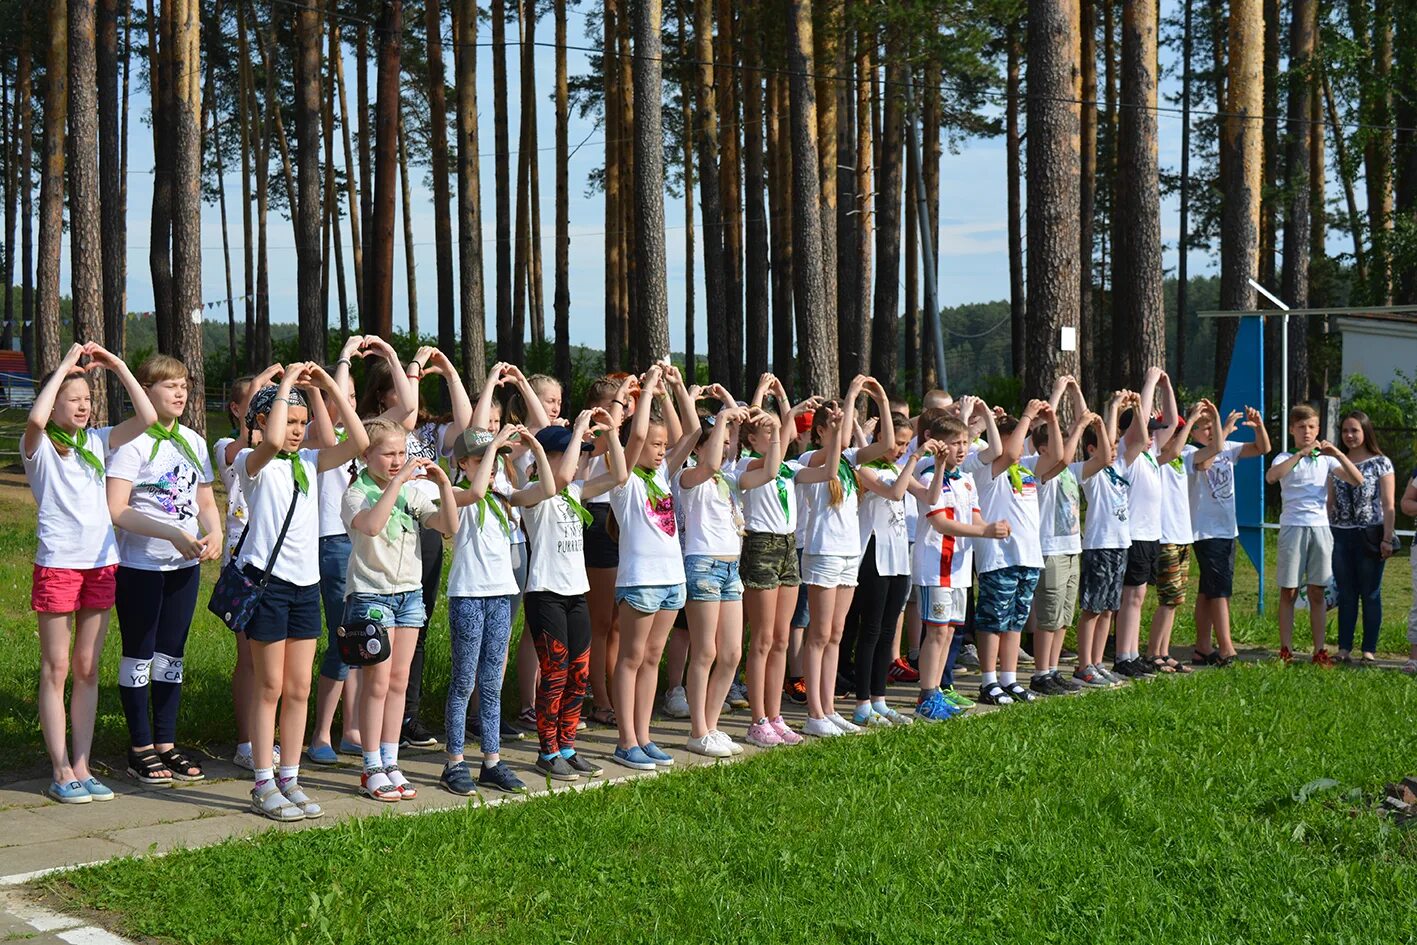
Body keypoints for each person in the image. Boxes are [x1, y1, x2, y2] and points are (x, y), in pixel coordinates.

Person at [237, 365, 368, 821]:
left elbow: (359, 443)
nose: (295, 432)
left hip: (305, 586)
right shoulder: (251, 462)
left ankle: (290, 778)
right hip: (268, 586)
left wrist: (327, 389)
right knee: (269, 686)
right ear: (262, 420)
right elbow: (271, 442)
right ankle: (262, 780)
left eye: (300, 424)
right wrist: (287, 385)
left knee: (299, 687)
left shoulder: (311, 462)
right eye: (288, 422)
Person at [26, 343, 155, 803]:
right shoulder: (39, 447)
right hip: (59, 564)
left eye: (86, 398)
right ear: (55, 399)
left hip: (101, 565)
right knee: (57, 667)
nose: (83, 406)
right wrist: (63, 366)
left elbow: (147, 419)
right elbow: (37, 421)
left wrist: (118, 364)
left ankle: (82, 764)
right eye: (72, 398)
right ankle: (60, 769)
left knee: (86, 668)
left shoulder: (97, 440)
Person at [106, 354, 223, 786]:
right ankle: (139, 748)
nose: (180, 393)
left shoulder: (193, 439)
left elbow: (207, 502)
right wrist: (170, 533)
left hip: (183, 567)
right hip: (141, 566)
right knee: (139, 654)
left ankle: (166, 743)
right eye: (169, 386)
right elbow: (117, 510)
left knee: (171, 656)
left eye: (184, 385)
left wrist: (215, 534)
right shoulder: (132, 443)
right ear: (147, 391)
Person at [343, 417, 459, 801]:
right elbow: (373, 526)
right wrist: (398, 482)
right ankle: (371, 764)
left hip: (409, 596)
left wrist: (442, 484)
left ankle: (391, 760)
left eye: (402, 453)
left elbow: (448, 526)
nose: (398, 460)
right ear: (366, 455)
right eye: (389, 453)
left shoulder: (412, 493)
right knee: (376, 684)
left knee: (398, 681)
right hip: (371, 597)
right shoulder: (357, 492)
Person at [441, 424, 554, 795]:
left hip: (501, 596)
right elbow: (474, 490)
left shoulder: (504, 495)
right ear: (462, 463)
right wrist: (496, 446)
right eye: (480, 460)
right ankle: (454, 762)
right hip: (469, 595)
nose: (490, 469)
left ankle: (492, 760)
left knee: (491, 683)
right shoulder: (456, 493)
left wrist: (535, 446)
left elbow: (549, 489)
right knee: (464, 682)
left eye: (493, 462)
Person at [521, 410, 625, 780]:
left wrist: (611, 433)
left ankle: (567, 746)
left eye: (582, 454)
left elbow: (619, 476)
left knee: (578, 674)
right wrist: (578, 427)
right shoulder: (533, 493)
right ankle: (546, 751)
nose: (582, 459)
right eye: (574, 452)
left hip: (576, 592)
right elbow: (559, 477)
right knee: (555, 674)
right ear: (547, 457)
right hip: (545, 594)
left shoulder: (576, 491)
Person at [609, 364, 700, 769]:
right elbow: (640, 433)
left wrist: (672, 391)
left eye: (664, 444)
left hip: (670, 580)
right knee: (630, 658)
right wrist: (646, 390)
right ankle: (625, 740)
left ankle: (644, 737)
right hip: (641, 581)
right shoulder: (622, 478)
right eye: (654, 444)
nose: (661, 449)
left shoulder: (663, 474)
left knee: (651, 659)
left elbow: (694, 433)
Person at [910, 407, 1010, 721]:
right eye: (955, 443)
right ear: (938, 444)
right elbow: (940, 522)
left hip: (959, 568)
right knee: (936, 632)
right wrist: (984, 530)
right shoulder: (929, 474)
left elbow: (975, 518)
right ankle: (926, 696)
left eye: (965, 442)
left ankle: (938, 690)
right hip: (935, 566)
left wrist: (992, 528)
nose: (962, 449)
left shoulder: (967, 480)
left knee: (951, 632)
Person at [962, 396, 1056, 705]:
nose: (1019, 440)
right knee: (993, 621)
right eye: (1010, 434)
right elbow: (1009, 451)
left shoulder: (1026, 469)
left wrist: (1052, 421)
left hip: (1028, 556)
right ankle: (988, 681)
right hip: (999, 557)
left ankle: (1009, 679)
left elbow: (1060, 457)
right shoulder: (987, 470)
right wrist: (1028, 415)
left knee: (1015, 621)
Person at [676, 393, 751, 757]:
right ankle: (697, 730)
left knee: (732, 653)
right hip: (702, 565)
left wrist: (733, 415)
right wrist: (721, 417)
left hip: (730, 568)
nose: (726, 450)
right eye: (719, 444)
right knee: (704, 651)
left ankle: (712, 724)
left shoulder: (729, 477)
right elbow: (707, 465)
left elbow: (732, 448)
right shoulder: (688, 476)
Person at [737, 374, 810, 748]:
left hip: (787, 545)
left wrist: (782, 398)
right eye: (767, 431)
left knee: (781, 638)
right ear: (751, 439)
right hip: (761, 546)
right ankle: (757, 719)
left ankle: (776, 714)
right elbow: (771, 454)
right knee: (763, 639)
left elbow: (811, 461)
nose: (777, 434)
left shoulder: (786, 468)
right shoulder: (746, 467)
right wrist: (760, 400)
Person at [219, 364, 283, 773]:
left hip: (281, 563)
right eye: (259, 404)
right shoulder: (228, 446)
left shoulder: (284, 453)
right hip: (246, 565)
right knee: (249, 659)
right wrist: (261, 386)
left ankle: (269, 739)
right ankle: (247, 742)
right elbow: (241, 449)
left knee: (275, 666)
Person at [307, 340, 368, 765]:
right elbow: (330, 430)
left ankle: (352, 728)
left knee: (361, 640)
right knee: (342, 640)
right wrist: (341, 359)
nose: (348, 404)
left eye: (352, 399)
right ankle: (320, 734)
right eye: (338, 397)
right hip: (332, 542)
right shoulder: (316, 435)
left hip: (364, 542)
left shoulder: (362, 436)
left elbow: (407, 411)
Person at [1266, 404, 1362, 665]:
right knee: (1289, 591)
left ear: (1318, 429)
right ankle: (1286, 649)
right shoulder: (1283, 457)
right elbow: (1272, 477)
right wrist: (1301, 454)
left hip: (1320, 528)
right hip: (1293, 527)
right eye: (1301, 427)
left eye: (1311, 427)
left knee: (1318, 591)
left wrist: (1338, 454)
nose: (1306, 432)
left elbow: (1357, 479)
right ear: (1292, 430)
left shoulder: (1327, 460)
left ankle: (1319, 650)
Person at [849, 413, 929, 724]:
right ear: (881, 438)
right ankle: (861, 703)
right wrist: (915, 458)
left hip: (897, 558)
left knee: (886, 631)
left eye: (906, 444)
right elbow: (896, 492)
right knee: (869, 631)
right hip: (873, 555)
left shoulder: (898, 467)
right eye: (898, 443)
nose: (901, 449)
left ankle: (880, 699)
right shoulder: (866, 469)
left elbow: (928, 496)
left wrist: (938, 468)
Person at [1188, 401, 1269, 666]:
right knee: (1219, 590)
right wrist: (1222, 431)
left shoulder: (1228, 448)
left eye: (1212, 426)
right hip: (1207, 531)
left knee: (1208, 590)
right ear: (1192, 433)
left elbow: (1262, 448)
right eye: (1204, 428)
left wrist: (1259, 427)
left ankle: (1202, 646)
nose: (1210, 432)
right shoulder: (1190, 451)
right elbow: (1205, 462)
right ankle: (1226, 648)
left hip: (1226, 529)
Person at [1026, 376, 1089, 696]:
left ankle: (1052, 670)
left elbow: (1102, 457)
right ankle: (1040, 674)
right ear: (1041, 449)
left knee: (1064, 613)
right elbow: (1063, 455)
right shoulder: (1041, 471)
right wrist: (1056, 406)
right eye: (1058, 441)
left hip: (1071, 547)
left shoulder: (1068, 471)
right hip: (1049, 549)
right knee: (1048, 615)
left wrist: (1074, 392)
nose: (1067, 448)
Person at [581, 374, 638, 729]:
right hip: (598, 520)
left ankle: (616, 694)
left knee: (617, 623)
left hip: (622, 521)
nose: (624, 410)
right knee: (600, 622)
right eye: (618, 404)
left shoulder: (623, 434)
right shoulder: (592, 435)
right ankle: (598, 698)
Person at [1111, 368, 1167, 679]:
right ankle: (1123, 656)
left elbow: (1166, 430)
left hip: (1150, 534)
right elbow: (1140, 429)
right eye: (1147, 430)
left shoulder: (1149, 456)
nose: (1153, 436)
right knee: (1130, 596)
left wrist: (1166, 387)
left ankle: (1131, 651)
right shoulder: (1126, 454)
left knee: (1139, 596)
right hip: (1133, 534)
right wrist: (1147, 384)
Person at [1328, 409, 1395, 664]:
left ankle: (1369, 649)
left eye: (1354, 430)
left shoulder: (1380, 462)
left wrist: (1387, 538)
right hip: (1341, 535)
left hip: (1370, 535)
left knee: (1370, 593)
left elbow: (1388, 504)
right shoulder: (1335, 462)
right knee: (1346, 593)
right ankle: (1344, 648)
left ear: (1365, 431)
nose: (1349, 435)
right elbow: (1329, 501)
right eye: (1345, 430)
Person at [1073, 393, 1131, 689]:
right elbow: (1105, 451)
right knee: (1093, 608)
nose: (1115, 451)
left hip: (1120, 544)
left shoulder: (1118, 469)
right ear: (1093, 449)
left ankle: (1097, 663)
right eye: (1109, 446)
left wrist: (1118, 409)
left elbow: (1116, 448)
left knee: (1109, 607)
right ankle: (1084, 665)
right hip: (1099, 545)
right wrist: (1109, 413)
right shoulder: (1092, 474)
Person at [1144, 387, 1203, 674]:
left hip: (1183, 535)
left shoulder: (1178, 457)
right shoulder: (1156, 455)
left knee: (1176, 599)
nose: (1175, 433)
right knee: (1167, 598)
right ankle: (1153, 652)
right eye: (1171, 430)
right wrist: (1189, 421)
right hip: (1165, 535)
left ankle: (1164, 651)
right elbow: (1174, 447)